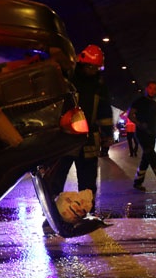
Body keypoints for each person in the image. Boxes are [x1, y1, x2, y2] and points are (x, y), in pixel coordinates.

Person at [45, 44, 113, 216]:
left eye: (96, 67)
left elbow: (104, 112)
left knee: (88, 182)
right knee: (55, 179)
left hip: (88, 140)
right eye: (90, 66)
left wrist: (108, 135)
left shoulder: (100, 85)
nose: (93, 70)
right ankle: (52, 216)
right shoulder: (67, 80)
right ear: (82, 64)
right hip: (65, 139)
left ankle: (87, 214)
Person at [127, 81, 156, 193]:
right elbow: (130, 115)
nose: (152, 90)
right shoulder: (139, 101)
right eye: (151, 88)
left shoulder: (155, 104)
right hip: (142, 134)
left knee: (146, 158)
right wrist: (139, 124)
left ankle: (137, 182)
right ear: (146, 89)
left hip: (152, 134)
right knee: (152, 157)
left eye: (155, 89)